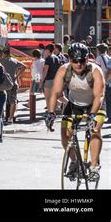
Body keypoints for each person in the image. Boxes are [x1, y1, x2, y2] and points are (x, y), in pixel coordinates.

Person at [46, 43, 107, 181]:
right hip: (74, 104)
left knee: (95, 131)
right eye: (74, 61)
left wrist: (92, 115)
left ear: (87, 59)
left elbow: (99, 96)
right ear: (69, 60)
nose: (78, 64)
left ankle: (93, 167)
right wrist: (50, 113)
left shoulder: (95, 71)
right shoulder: (63, 70)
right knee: (65, 135)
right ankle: (74, 162)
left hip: (95, 104)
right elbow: (55, 93)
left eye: (82, 61)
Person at [0, 47, 26, 124]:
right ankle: (10, 118)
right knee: (13, 101)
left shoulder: (0, 61)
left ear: (3, 53)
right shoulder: (14, 61)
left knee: (2, 100)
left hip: (3, 83)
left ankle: (3, 116)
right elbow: (24, 66)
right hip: (12, 83)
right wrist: (17, 76)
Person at [40, 44, 61, 111]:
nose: (45, 51)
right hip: (56, 80)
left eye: (46, 50)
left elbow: (45, 71)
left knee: (48, 99)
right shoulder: (57, 58)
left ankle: (50, 113)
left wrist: (41, 81)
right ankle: (54, 110)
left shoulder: (48, 58)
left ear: (48, 50)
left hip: (49, 80)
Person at [96, 43, 111, 122]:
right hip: (109, 80)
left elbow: (97, 69)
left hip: (102, 79)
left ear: (99, 50)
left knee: (103, 98)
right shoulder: (109, 57)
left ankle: (105, 115)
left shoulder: (99, 58)